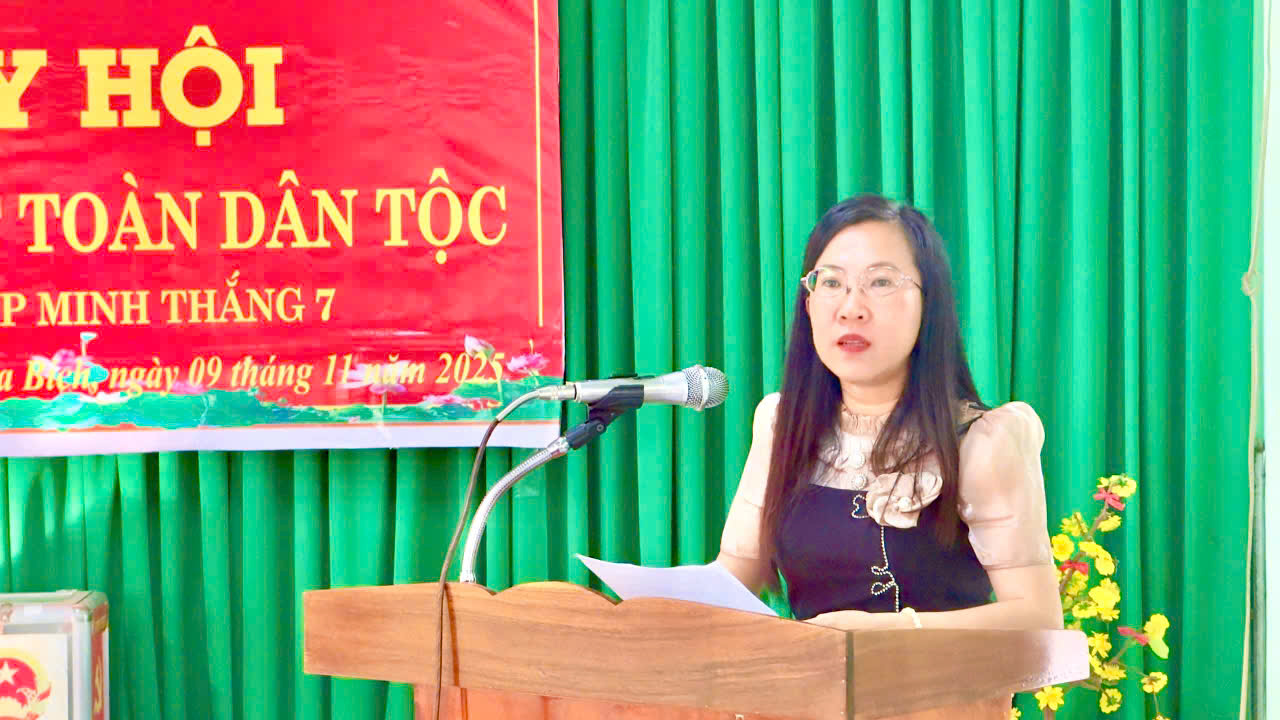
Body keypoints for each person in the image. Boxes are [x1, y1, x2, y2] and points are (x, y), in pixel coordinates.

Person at [717, 194, 1063, 631]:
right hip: (806, 677)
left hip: (940, 678)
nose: (851, 308)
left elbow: (1038, 620)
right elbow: (729, 586)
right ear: (808, 303)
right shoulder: (781, 424)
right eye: (831, 283)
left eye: (880, 282)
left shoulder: (980, 441)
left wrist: (884, 633)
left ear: (928, 303)